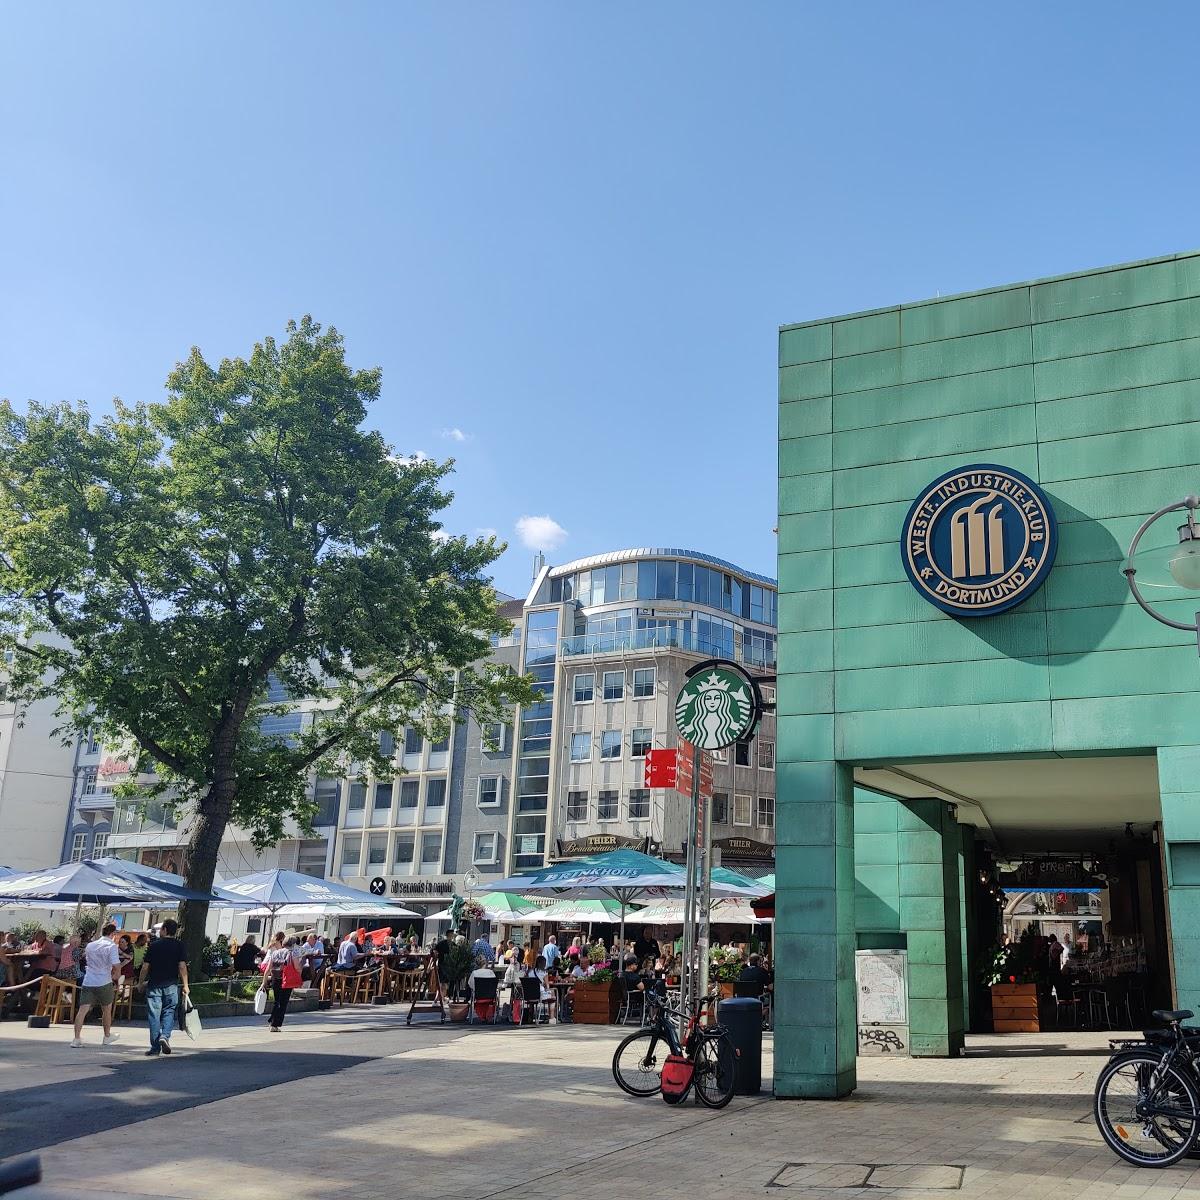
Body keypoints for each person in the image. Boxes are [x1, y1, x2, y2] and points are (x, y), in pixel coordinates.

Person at [139, 917, 189, 1056]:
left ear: (165, 929)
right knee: (169, 1011)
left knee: (154, 1015)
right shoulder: (179, 946)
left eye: (161, 929)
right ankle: (165, 1036)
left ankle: (155, 1047)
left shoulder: (154, 945)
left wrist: (140, 982)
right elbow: (182, 966)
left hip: (154, 984)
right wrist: (185, 985)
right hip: (171, 984)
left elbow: (145, 967)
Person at [72, 922, 121, 1047]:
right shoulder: (112, 946)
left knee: (82, 1010)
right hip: (104, 980)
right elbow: (116, 965)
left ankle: (76, 1038)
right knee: (106, 1010)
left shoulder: (90, 945)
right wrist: (116, 978)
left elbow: (86, 960)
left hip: (88, 980)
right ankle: (107, 1036)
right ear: (113, 933)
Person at [261, 933, 302, 1031]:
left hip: (276, 978)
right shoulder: (292, 953)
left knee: (277, 1001)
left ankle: (272, 1020)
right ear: (293, 944)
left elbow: (268, 968)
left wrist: (264, 981)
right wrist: (300, 970)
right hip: (286, 979)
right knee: (283, 1002)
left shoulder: (276, 952)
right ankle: (275, 1024)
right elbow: (297, 967)